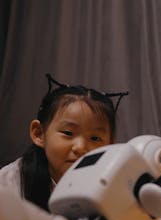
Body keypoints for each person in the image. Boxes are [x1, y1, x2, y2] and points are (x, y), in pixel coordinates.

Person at [0, 74, 127, 211]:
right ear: (39, 133)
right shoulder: (9, 183)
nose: (80, 147)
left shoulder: (119, 187)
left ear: (111, 145)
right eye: (68, 133)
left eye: (95, 138)